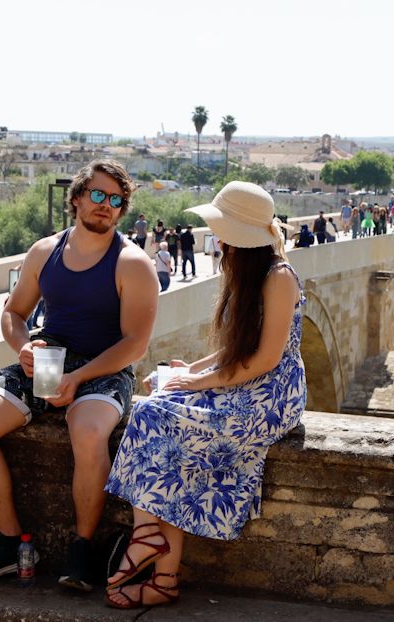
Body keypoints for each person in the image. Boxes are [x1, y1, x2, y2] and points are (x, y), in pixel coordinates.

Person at [0, 160, 159, 589]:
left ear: (123, 210)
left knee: (85, 430)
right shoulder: (44, 252)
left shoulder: (132, 263)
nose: (105, 206)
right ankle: (9, 542)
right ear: (78, 197)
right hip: (47, 359)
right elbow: (14, 313)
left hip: (106, 369)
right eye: (98, 195)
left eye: (116, 200)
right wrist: (23, 347)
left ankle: (81, 548)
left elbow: (135, 344)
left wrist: (80, 378)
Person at [104, 182, 307, 608]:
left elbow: (267, 358)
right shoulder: (246, 271)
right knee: (155, 418)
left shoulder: (279, 277)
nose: (215, 238)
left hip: (271, 395)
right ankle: (162, 575)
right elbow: (237, 346)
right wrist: (189, 370)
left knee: (159, 420)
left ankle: (149, 545)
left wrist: (198, 384)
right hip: (244, 378)